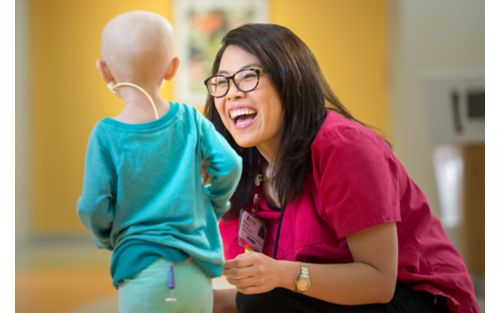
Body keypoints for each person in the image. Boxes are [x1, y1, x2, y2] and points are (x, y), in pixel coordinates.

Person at [203, 23, 479, 313]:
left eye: (248, 77)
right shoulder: (244, 167)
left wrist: (283, 274)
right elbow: (277, 296)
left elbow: (378, 281)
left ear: (290, 81)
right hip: (339, 303)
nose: (231, 94)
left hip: (419, 299)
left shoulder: (343, 147)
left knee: (261, 299)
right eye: (221, 82)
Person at [77, 11, 242, 313]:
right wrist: (212, 204)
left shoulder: (106, 135)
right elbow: (230, 165)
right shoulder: (191, 120)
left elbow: (92, 204)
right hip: (195, 270)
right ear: (173, 68)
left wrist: (108, 235)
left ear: (105, 71)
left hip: (139, 268)